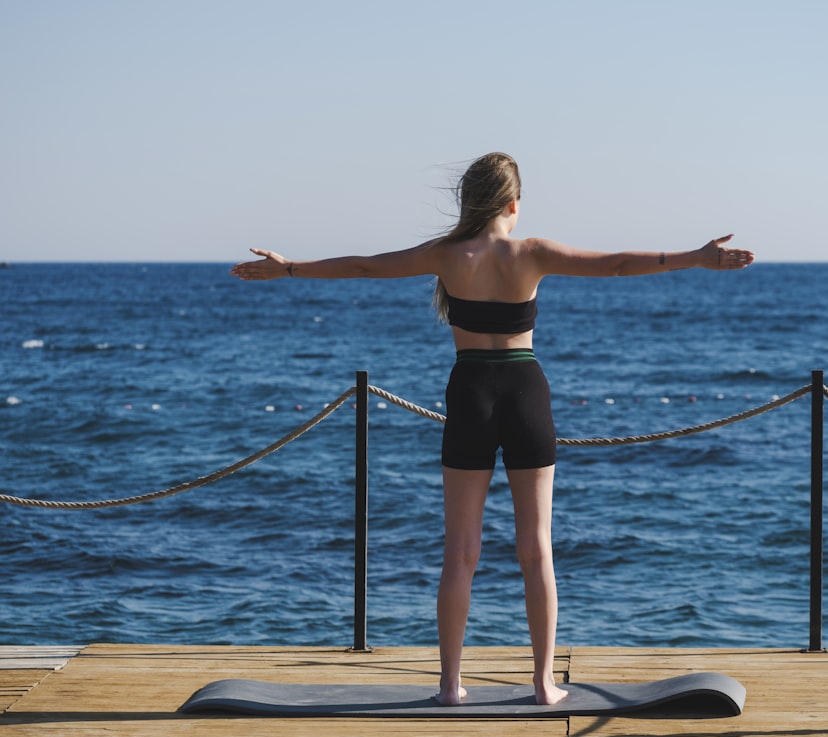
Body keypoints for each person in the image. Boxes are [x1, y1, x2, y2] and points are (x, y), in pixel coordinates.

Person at [230, 152, 754, 706]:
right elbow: (619, 264)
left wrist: (287, 268)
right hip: (526, 394)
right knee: (537, 550)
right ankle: (543, 684)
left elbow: (363, 266)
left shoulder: (447, 255)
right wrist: (698, 257)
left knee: (460, 551)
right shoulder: (532, 253)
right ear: (513, 202)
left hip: (470, 393)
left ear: (471, 201)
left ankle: (450, 685)